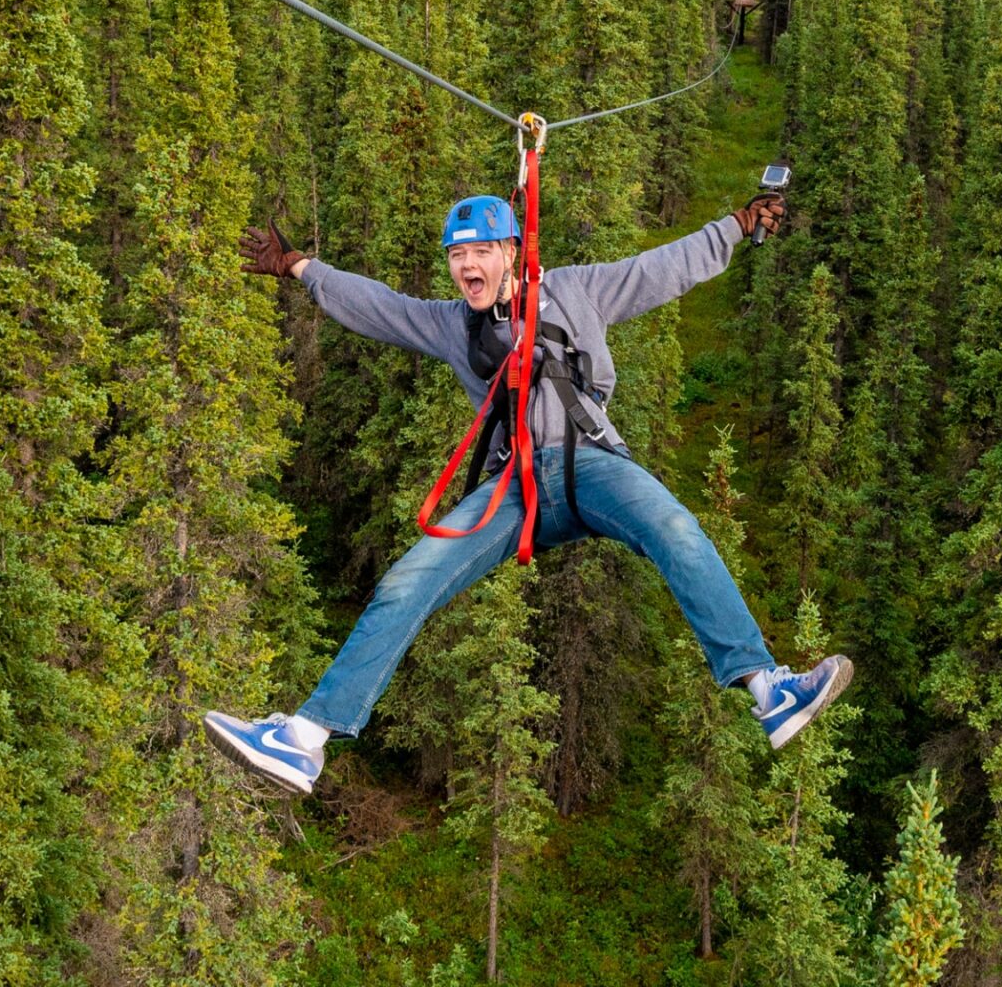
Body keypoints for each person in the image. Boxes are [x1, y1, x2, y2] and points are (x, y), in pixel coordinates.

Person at [203, 187, 853, 794]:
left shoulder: (577, 291)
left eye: (481, 251)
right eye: (457, 255)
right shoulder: (452, 323)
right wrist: (298, 266)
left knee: (674, 527)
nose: (466, 266)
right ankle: (304, 737)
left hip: (591, 464)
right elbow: (381, 307)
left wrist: (737, 225)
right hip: (514, 489)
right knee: (407, 582)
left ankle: (770, 689)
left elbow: (666, 267)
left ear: (512, 251)